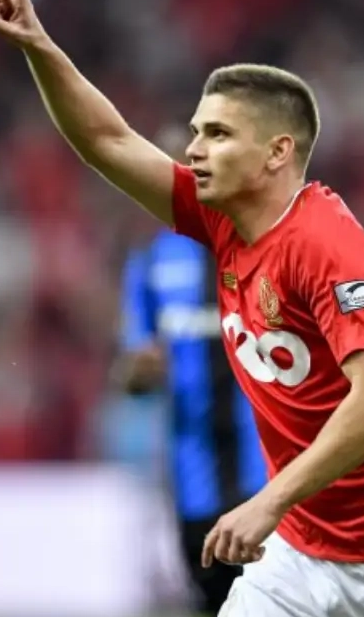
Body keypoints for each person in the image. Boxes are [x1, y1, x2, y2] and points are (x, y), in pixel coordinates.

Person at [0, 0, 364, 615]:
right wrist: (39, 47)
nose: (193, 149)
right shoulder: (222, 224)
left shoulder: (325, 243)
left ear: (277, 152)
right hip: (300, 554)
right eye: (196, 132)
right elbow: (108, 140)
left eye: (217, 134)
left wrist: (268, 502)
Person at [119, 229, 267, 614]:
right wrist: (139, 370)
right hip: (194, 479)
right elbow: (132, 373)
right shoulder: (152, 260)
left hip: (265, 475)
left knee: (274, 600)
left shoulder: (266, 248)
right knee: (212, 601)